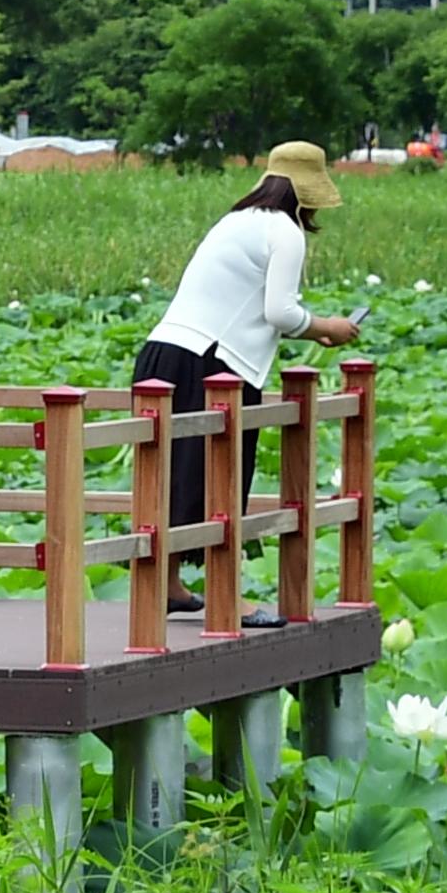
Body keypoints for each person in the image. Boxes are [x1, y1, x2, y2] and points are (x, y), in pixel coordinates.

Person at [135, 140, 363, 619]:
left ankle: (169, 586)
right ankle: (227, 596)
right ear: (307, 192)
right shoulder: (285, 230)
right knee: (221, 480)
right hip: (213, 363)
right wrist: (327, 328)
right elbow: (278, 311)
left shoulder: (235, 220)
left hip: (165, 352)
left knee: (172, 478)